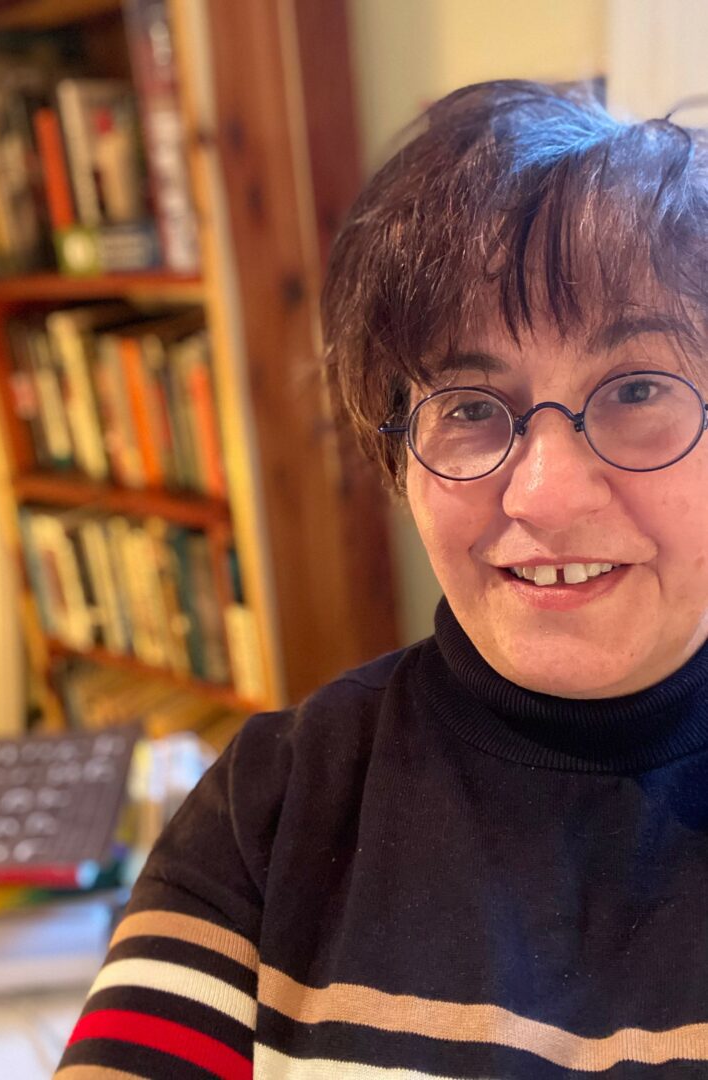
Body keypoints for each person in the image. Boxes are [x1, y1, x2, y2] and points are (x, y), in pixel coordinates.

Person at [55, 80, 708, 1079]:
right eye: (471, 406)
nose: (546, 495)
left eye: (638, 389)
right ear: (397, 455)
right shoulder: (273, 808)